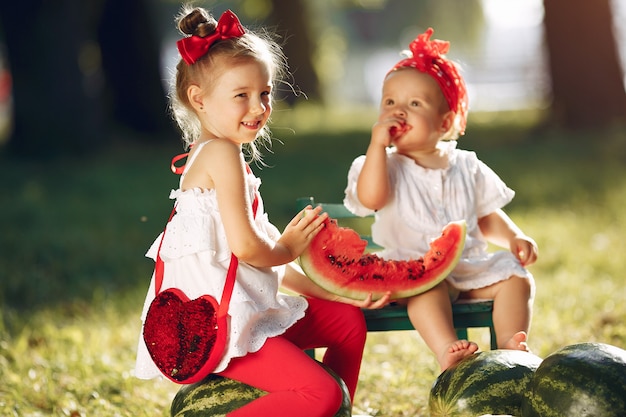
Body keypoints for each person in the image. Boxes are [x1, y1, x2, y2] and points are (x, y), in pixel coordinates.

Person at [135, 7, 388, 416]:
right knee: (319, 393)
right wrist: (288, 246)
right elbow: (253, 249)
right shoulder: (220, 154)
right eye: (242, 96)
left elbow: (263, 260)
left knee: (346, 323)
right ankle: (319, 405)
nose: (258, 108)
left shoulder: (223, 156)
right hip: (224, 327)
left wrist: (339, 294)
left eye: (265, 94)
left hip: (247, 314)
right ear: (198, 99)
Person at [343, 28, 538, 371]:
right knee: (425, 292)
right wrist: (376, 147)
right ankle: (448, 349)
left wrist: (513, 237)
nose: (398, 111)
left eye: (414, 104)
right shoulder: (381, 165)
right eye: (390, 102)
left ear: (444, 121)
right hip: (410, 266)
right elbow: (371, 198)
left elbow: (486, 217)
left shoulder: (468, 165)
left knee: (516, 278)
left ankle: (512, 344)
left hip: (468, 265)